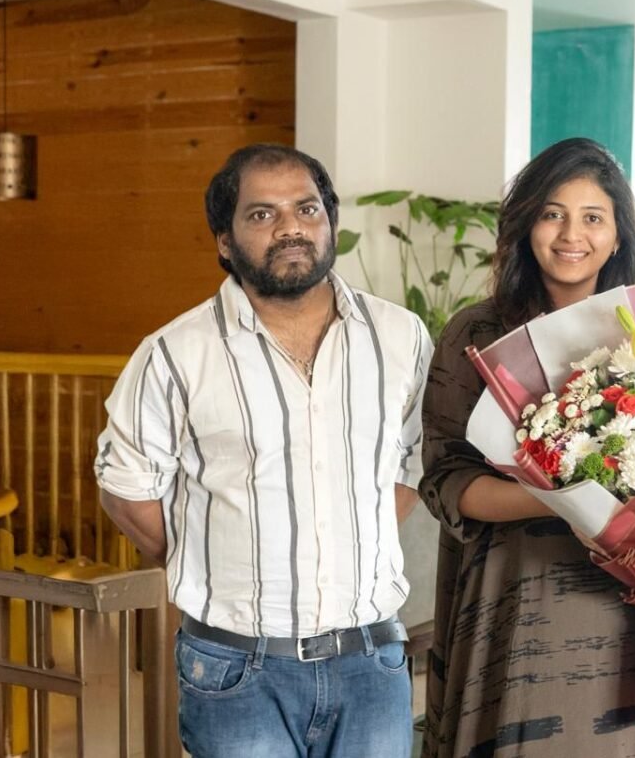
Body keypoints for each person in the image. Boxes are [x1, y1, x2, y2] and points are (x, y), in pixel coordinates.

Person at [94, 143, 433, 758]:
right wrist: (214, 557)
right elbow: (127, 491)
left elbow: (410, 465)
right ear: (225, 241)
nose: (290, 228)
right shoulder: (175, 354)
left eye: (307, 209)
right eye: (262, 214)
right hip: (235, 669)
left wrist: (349, 540)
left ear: (330, 221)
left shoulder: (400, 336)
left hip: (371, 662)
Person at [418, 137, 635, 757]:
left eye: (592, 217)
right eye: (553, 214)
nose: (571, 234)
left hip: (625, 601)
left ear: (618, 235)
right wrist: (566, 497)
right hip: (510, 595)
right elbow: (445, 480)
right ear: (527, 225)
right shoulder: (475, 333)